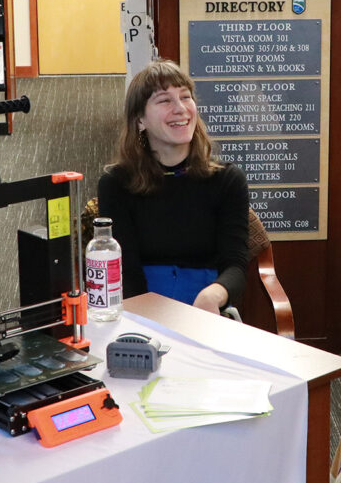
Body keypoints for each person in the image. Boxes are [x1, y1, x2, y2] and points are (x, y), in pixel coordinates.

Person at [97, 60, 249, 314]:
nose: (180, 109)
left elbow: (236, 265)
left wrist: (213, 295)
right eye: (165, 100)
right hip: (142, 309)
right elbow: (127, 274)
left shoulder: (228, 180)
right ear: (140, 121)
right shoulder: (116, 183)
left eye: (185, 97)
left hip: (206, 310)